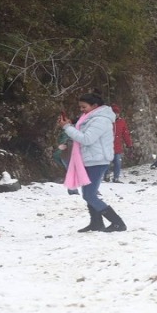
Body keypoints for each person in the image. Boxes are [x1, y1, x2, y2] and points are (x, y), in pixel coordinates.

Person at [58, 92, 126, 233]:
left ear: (95, 106)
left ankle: (118, 222)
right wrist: (70, 125)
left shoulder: (100, 120)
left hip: (97, 160)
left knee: (89, 195)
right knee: (88, 193)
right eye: (80, 107)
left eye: (84, 107)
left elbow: (87, 139)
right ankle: (96, 223)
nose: (81, 110)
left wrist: (67, 128)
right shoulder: (88, 118)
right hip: (89, 159)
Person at [105, 104, 133, 183]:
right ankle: (106, 176)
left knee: (117, 162)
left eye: (117, 113)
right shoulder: (106, 121)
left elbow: (125, 134)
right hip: (107, 146)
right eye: (114, 113)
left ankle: (116, 177)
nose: (116, 114)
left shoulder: (121, 122)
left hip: (117, 147)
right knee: (107, 162)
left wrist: (129, 144)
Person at [54, 127, 79, 195]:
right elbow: (60, 144)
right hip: (67, 156)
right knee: (71, 172)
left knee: (72, 172)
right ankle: (72, 190)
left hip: (71, 156)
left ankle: (73, 189)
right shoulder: (66, 134)